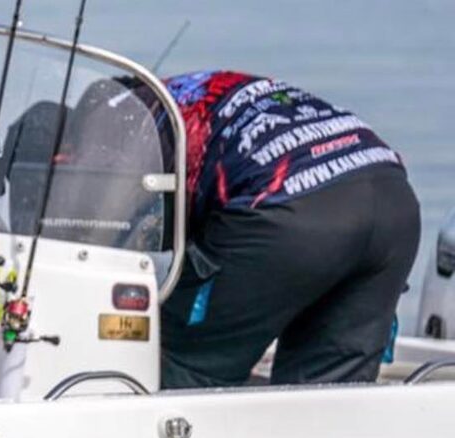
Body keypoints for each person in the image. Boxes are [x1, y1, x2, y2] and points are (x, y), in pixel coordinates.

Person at [158, 71, 419, 387]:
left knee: (182, 360)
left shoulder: (128, 121)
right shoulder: (198, 89)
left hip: (290, 207)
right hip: (391, 198)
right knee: (329, 392)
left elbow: (119, 233)